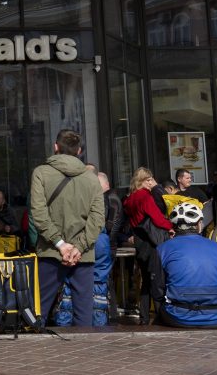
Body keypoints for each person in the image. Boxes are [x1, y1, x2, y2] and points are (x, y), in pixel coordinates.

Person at [29, 129, 105, 327]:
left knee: (39, 312)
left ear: (56, 147)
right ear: (79, 151)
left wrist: (60, 244)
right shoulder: (91, 178)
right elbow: (97, 218)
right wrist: (79, 247)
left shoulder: (41, 173)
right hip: (83, 254)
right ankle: (83, 354)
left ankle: (37, 355)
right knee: (83, 314)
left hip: (50, 251)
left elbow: (38, 213)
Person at [151, 203, 217, 327]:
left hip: (179, 316)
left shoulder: (163, 249)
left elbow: (157, 291)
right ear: (199, 225)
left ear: (173, 227)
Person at [122, 167, 175, 324]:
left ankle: (144, 317)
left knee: (146, 279)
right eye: (149, 179)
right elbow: (157, 218)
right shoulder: (144, 196)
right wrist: (171, 226)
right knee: (156, 279)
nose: (152, 182)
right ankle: (160, 316)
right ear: (144, 181)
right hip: (151, 241)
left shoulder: (129, 199)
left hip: (139, 241)